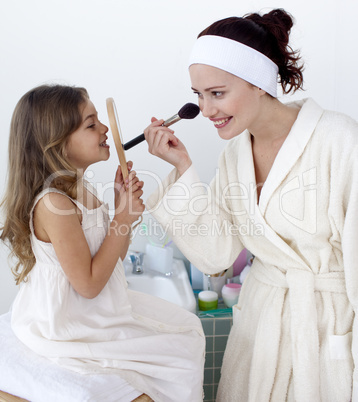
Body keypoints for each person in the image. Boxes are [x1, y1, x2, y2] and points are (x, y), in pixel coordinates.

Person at [144, 8, 358, 402]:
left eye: (217, 93)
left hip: (327, 329)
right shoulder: (235, 156)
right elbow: (217, 256)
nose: (206, 110)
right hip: (261, 328)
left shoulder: (340, 140)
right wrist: (182, 166)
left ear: (260, 83)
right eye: (199, 95)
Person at [0, 84, 205, 402]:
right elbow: (89, 285)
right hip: (68, 320)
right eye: (91, 123)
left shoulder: (83, 190)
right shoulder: (54, 203)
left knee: (186, 333)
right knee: (177, 351)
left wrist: (124, 213)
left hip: (96, 309)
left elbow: (112, 260)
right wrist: (121, 218)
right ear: (57, 142)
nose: (105, 128)